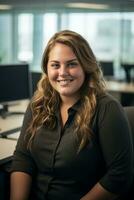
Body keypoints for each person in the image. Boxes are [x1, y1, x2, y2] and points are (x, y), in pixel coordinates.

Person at [10, 30, 133, 200]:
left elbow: (119, 176)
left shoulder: (107, 109)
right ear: (47, 68)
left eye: (72, 64)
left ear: (86, 66)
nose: (62, 72)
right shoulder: (37, 106)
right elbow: (23, 158)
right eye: (55, 65)